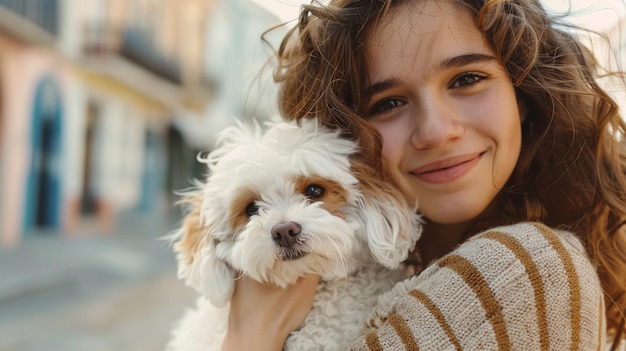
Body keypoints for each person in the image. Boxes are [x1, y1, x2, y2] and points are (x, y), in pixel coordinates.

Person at [222, 0, 626, 349]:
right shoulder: (350, 280)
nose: (435, 131)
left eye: (467, 79)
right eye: (387, 102)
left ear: (523, 95)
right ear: (345, 135)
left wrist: (250, 335)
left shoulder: (525, 267)